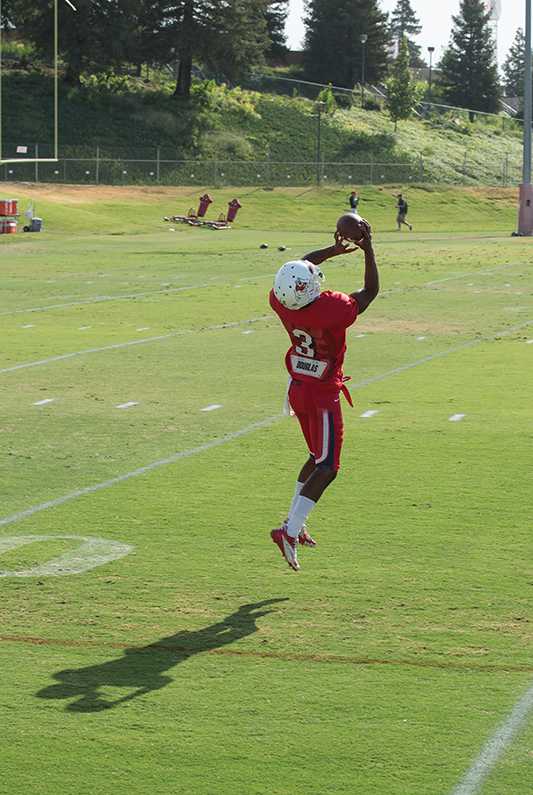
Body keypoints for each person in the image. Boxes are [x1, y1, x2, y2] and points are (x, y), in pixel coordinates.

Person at [269, 223, 379, 571]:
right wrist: (368, 247)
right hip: (322, 393)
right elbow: (369, 293)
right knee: (328, 466)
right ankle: (289, 530)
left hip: (298, 387)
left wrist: (331, 251)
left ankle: (294, 525)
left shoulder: (281, 301)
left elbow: (299, 267)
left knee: (317, 456)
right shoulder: (329, 307)